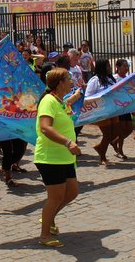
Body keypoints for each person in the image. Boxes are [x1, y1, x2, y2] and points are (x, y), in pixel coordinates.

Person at [34, 67, 84, 248]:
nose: (71, 82)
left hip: (65, 157)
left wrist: (76, 96)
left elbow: (65, 107)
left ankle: (49, 217)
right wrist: (68, 142)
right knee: (55, 197)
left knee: (72, 192)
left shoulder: (58, 100)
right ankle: (45, 234)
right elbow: (46, 127)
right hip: (50, 157)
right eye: (68, 79)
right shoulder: (48, 101)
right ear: (60, 83)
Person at [84, 59, 119, 166]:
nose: (110, 67)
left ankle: (100, 147)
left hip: (113, 110)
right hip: (101, 111)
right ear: (102, 67)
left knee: (114, 133)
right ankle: (102, 157)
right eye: (108, 65)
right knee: (107, 134)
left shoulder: (111, 78)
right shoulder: (94, 80)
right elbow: (88, 97)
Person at [110, 58, 134, 159]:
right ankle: (120, 151)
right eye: (124, 66)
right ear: (118, 67)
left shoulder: (129, 78)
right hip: (117, 107)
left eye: (127, 66)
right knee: (121, 129)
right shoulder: (114, 78)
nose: (126, 68)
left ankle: (115, 142)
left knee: (129, 128)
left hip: (126, 107)